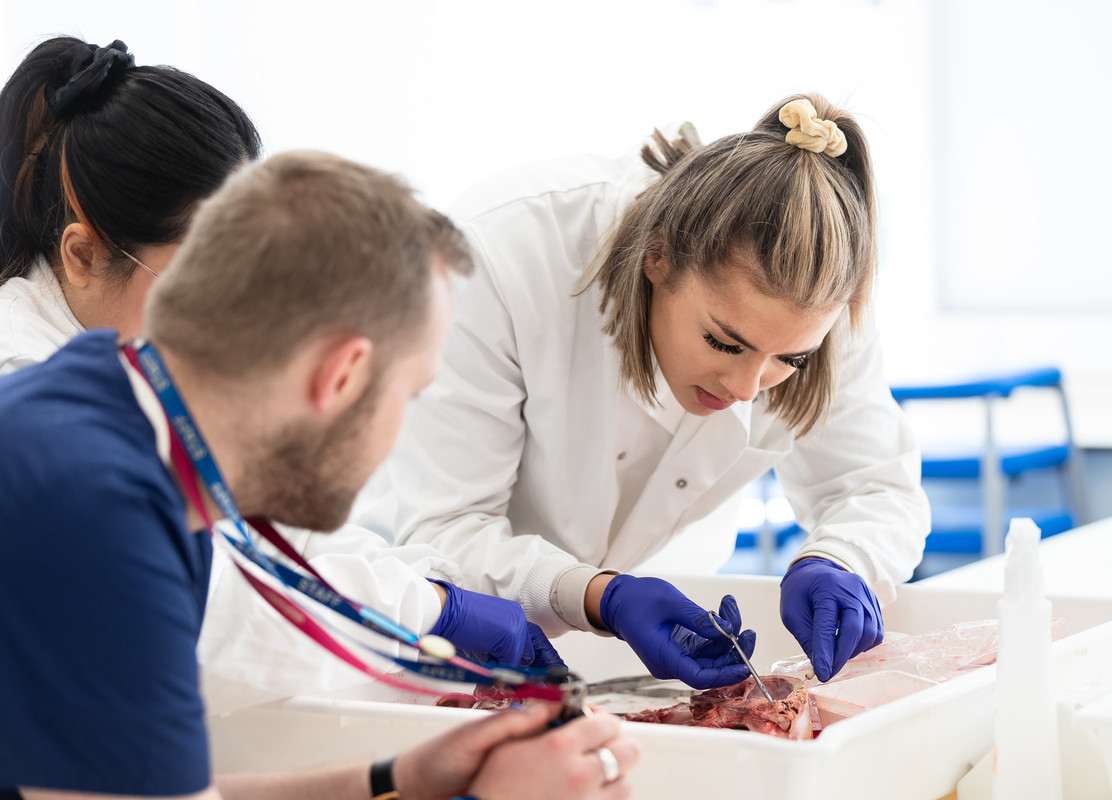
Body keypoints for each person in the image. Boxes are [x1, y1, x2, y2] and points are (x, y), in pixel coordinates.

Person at [0, 149, 638, 799]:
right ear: (341, 377)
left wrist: (399, 781)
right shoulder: (96, 514)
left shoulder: (113, 422)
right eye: (409, 395)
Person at [0, 36, 558, 710]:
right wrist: (429, 616)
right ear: (84, 256)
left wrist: (438, 594)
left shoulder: (128, 368)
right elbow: (214, 607)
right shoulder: (30, 391)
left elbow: (259, 522)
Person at [366, 94, 932, 684]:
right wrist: (598, 596)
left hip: (653, 639)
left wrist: (842, 560)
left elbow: (872, 487)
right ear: (659, 255)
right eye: (724, 343)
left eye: (789, 359)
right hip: (416, 630)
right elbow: (445, 529)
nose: (745, 388)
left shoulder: (820, 296)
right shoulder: (499, 256)